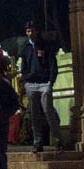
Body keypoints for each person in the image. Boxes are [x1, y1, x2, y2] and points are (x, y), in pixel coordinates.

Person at [19, 22, 61, 152]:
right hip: (31, 84)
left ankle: (58, 140)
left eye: (32, 31)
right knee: (34, 115)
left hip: (44, 84)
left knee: (48, 111)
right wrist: (26, 82)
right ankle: (38, 143)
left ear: (37, 31)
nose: (30, 34)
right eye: (28, 31)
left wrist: (50, 82)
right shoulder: (25, 48)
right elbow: (24, 67)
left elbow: (53, 65)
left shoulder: (45, 46)